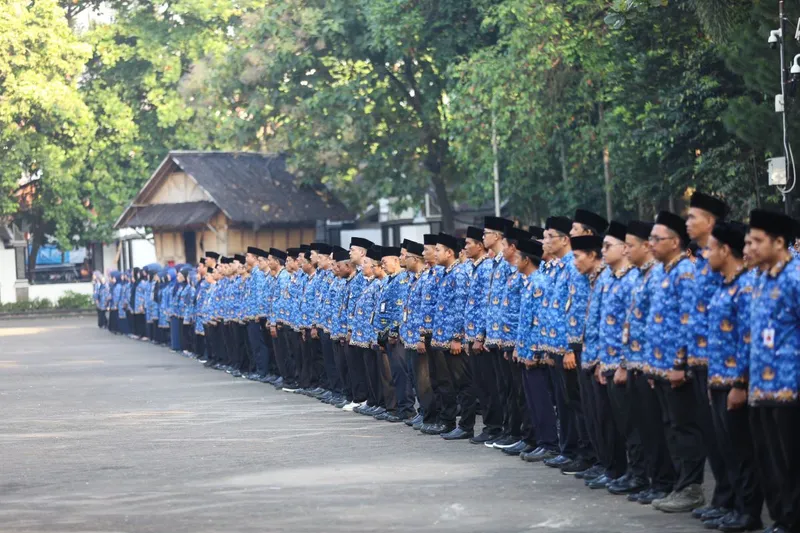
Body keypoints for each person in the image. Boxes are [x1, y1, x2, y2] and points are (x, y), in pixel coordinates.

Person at [704, 221, 764, 532]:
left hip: (735, 383)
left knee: (742, 450)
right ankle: (734, 506)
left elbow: (747, 339)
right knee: (727, 449)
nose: (705, 254)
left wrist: (740, 383)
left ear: (726, 250)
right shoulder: (724, 284)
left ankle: (749, 511)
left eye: (710, 248)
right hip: (718, 380)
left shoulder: (746, 286)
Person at [647, 211, 706, 513]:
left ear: (675, 241)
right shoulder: (659, 272)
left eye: (657, 239)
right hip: (659, 366)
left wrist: (680, 364)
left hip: (677, 367)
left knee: (685, 427)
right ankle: (678, 485)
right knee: (670, 425)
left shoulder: (686, 273)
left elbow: (689, 323)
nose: (651, 243)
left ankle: (692, 488)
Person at [746, 209, 800, 533]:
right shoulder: (762, 279)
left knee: (792, 461)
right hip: (761, 387)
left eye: (756, 241)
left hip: (789, 387)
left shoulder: (795, 277)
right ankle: (782, 517)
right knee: (770, 459)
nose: (749, 247)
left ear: (779, 242)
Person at [686, 191, 737, 524]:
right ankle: (723, 500)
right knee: (713, 438)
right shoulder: (701, 258)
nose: (687, 222)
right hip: (702, 360)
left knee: (731, 442)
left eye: (693, 217)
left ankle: (737, 505)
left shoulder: (723, 259)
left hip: (722, 362)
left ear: (711, 222)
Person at [622, 221, 675, 505]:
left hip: (652, 363)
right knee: (644, 426)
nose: (627, 250)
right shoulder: (641, 276)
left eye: (630, 245)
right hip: (636, 362)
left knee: (658, 427)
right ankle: (655, 480)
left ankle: (665, 482)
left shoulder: (657, 276)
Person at [425, 233, 470, 436]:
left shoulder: (459, 274)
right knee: (445, 382)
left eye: (438, 250)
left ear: (449, 252)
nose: (435, 253)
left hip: (452, 339)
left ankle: (466, 426)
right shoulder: (444, 273)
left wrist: (457, 338)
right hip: (441, 337)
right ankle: (448, 421)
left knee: (462, 383)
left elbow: (460, 307)